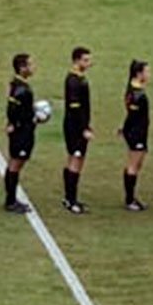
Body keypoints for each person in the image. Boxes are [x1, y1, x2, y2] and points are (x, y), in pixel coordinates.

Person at [3, 53, 37, 214]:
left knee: (15, 163)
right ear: (22, 68)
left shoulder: (16, 84)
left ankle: (10, 199)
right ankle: (10, 201)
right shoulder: (22, 89)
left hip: (21, 130)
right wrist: (21, 123)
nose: (33, 67)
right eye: (30, 64)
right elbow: (13, 110)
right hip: (22, 132)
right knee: (16, 164)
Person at [62, 47, 93, 214]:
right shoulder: (74, 81)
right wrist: (83, 129)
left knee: (73, 159)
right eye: (85, 60)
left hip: (75, 125)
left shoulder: (78, 78)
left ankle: (68, 197)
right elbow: (75, 108)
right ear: (76, 61)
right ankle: (71, 200)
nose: (89, 63)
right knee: (76, 160)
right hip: (75, 127)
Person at [120, 60, 151, 212]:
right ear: (139, 73)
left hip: (138, 131)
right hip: (136, 133)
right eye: (147, 71)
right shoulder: (136, 94)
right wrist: (127, 130)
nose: (149, 74)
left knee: (137, 165)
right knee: (133, 165)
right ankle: (129, 199)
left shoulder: (135, 89)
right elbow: (133, 115)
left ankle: (131, 197)